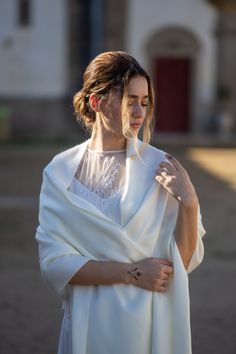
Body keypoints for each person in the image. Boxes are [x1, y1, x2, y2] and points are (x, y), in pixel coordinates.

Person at [35, 51, 205, 354]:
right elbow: (54, 263)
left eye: (144, 101)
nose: (140, 112)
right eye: (130, 100)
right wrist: (132, 273)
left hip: (151, 322)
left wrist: (189, 204)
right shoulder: (60, 171)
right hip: (89, 323)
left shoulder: (161, 166)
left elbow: (181, 262)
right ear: (96, 102)